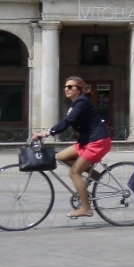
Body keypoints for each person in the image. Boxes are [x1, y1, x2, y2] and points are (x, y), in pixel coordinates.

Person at [32, 76, 111, 219]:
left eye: (70, 87)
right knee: (61, 156)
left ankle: (86, 208)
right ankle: (94, 175)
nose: (66, 89)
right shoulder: (76, 103)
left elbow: (68, 121)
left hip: (97, 141)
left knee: (74, 173)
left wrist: (46, 133)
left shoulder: (82, 102)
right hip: (86, 141)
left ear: (79, 89)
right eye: (65, 87)